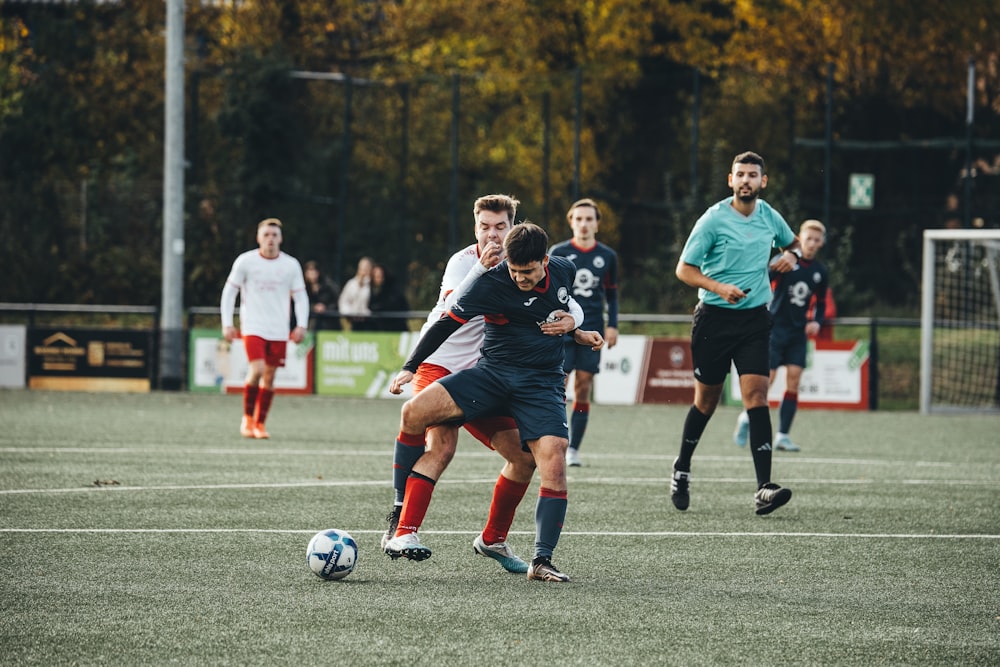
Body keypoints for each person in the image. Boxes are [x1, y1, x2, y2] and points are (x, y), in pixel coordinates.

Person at [383, 222, 604, 582]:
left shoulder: (565, 268)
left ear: (545, 261)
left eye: (527, 271)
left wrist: (575, 328)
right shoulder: (491, 281)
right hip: (491, 375)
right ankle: (399, 511)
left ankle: (539, 560)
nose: (519, 278)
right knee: (413, 411)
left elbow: (559, 307)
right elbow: (444, 323)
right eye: (514, 271)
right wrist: (410, 367)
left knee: (551, 457)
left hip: (540, 383)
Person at [380, 194, 539, 575]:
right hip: (438, 365)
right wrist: (411, 365)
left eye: (500, 227)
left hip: (484, 375)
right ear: (475, 229)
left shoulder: (521, 267)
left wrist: (575, 327)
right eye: (484, 227)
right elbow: (458, 303)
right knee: (443, 446)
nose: (492, 236)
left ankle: (492, 539)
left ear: (513, 227)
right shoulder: (463, 262)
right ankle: (403, 527)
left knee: (524, 457)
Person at [672, 151, 799, 516]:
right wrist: (717, 288)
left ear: (763, 181)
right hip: (714, 319)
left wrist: (793, 256)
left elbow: (793, 245)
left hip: (755, 320)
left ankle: (764, 487)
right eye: (740, 174)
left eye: (752, 175)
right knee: (706, 402)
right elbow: (684, 269)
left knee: (757, 396)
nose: (746, 180)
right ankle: (682, 467)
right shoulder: (713, 219)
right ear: (731, 180)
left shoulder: (769, 215)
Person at [733, 219, 829, 452]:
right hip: (775, 329)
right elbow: (764, 279)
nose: (812, 243)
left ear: (822, 243)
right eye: (809, 238)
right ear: (799, 238)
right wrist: (775, 266)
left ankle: (782, 436)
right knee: (768, 380)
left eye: (817, 240)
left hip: (798, 334)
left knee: (794, 380)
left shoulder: (820, 272)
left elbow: (821, 303)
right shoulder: (783, 261)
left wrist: (816, 322)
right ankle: (746, 417)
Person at [220, 218, 308, 440]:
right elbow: (230, 292)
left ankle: (260, 423)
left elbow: (300, 297)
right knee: (257, 369)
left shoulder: (290, 265)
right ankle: (247, 418)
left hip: (278, 329)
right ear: (258, 238)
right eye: (266, 235)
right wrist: (227, 323)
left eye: (274, 235)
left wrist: (301, 325)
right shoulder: (246, 261)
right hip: (253, 326)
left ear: (281, 238)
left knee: (269, 377)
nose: (271, 239)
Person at [548, 198, 620, 467]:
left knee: (584, 386)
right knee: (558, 385)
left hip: (593, 330)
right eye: (579, 219)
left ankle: (574, 448)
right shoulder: (559, 251)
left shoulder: (608, 256)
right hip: (562, 330)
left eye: (589, 219)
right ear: (571, 222)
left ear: (597, 224)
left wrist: (612, 325)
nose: (584, 224)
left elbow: (612, 295)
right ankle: (554, 441)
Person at [367, 263, 410, 331]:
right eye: (375, 276)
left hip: (394, 328)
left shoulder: (393, 292)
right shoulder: (369, 291)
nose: (378, 279)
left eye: (380, 276)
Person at [303, 260, 341, 331]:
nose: (311, 274)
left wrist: (325, 308)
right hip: (312, 323)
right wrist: (314, 307)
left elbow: (337, 301)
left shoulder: (328, 285)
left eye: (313, 271)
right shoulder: (303, 288)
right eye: (309, 271)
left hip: (329, 323)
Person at [338, 256, 373, 331]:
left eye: (366, 268)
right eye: (362, 268)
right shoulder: (351, 284)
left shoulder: (372, 285)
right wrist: (349, 314)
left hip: (369, 322)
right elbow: (343, 302)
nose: (364, 271)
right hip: (352, 322)